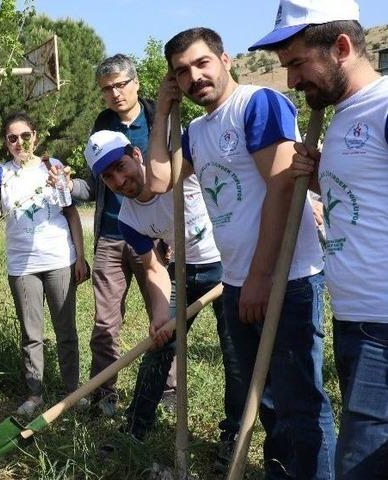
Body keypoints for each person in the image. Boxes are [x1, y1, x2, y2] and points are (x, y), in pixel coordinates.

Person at [146, 27, 336, 478]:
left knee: (300, 405)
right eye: (181, 72)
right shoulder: (195, 129)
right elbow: (157, 180)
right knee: (264, 402)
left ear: (225, 60)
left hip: (284, 278)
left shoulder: (255, 105)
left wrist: (259, 277)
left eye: (201, 63)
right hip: (238, 281)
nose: (194, 77)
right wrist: (162, 114)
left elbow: (284, 187)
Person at [251, 1, 388, 477]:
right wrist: (318, 175)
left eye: (296, 64)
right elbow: (367, 196)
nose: (290, 81)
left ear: (342, 48)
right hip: (354, 320)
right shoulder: (345, 113)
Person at [84, 130, 243, 468]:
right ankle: (135, 430)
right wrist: (160, 315)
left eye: (120, 166)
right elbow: (155, 268)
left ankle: (232, 437)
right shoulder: (128, 219)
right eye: (108, 176)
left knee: (234, 354)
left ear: (137, 155)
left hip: (228, 268)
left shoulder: (178, 176)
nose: (119, 179)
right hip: (184, 274)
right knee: (158, 349)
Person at [0, 112, 89, 416]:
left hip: (59, 260)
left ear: (35, 136)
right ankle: (35, 394)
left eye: (24, 136)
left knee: (65, 329)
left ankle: (72, 391)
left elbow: (71, 214)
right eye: (12, 138)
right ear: (6, 142)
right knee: (31, 334)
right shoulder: (3, 173)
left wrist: (80, 256)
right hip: (22, 266)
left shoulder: (51, 167)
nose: (19, 142)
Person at [69, 54, 166, 414]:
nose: (115, 93)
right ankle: (104, 391)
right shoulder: (101, 127)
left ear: (136, 83)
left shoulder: (160, 122)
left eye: (120, 84)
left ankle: (167, 391)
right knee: (105, 321)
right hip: (111, 235)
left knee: (163, 315)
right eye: (107, 89)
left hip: (154, 235)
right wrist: (70, 185)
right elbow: (97, 186)